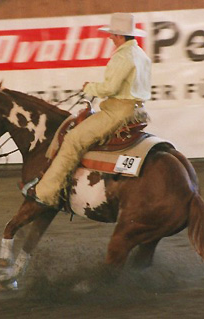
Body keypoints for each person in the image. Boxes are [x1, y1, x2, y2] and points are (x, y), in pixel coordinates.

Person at [25, 12, 152, 208]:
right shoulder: (141, 55)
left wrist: (89, 88)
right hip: (137, 110)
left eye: (112, 35)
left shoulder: (123, 56)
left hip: (117, 112)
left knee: (73, 140)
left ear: (119, 36)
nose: (110, 38)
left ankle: (45, 193)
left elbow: (110, 89)